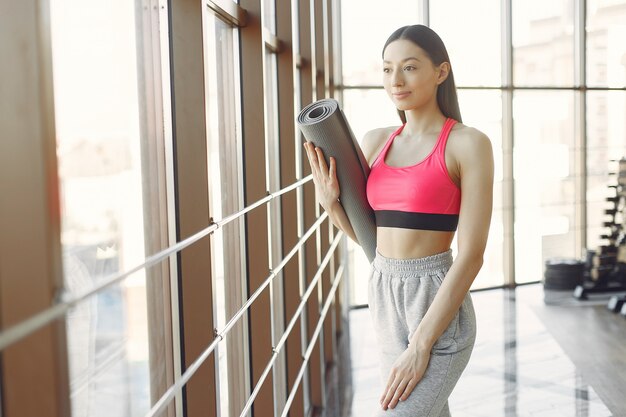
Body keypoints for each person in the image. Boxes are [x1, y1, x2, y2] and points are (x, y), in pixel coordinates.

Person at [303, 24, 493, 416]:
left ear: (441, 72)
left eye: (409, 67)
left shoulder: (467, 144)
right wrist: (331, 205)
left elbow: (472, 255)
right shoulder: (376, 141)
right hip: (384, 293)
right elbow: (371, 239)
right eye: (388, 69)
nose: (396, 81)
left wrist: (421, 345)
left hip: (437, 300)